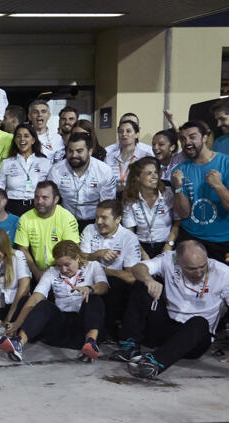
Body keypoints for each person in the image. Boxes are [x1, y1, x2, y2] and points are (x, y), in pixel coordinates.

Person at [115, 241, 229, 378]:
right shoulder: (169, 259)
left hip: (196, 338)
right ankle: (129, 346)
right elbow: (138, 268)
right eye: (191, 269)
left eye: (202, 266)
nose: (199, 273)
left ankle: (154, 363)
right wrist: (149, 280)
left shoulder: (223, 273)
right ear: (179, 261)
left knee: (199, 322)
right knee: (142, 285)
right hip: (167, 326)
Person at [0, 240, 106, 363]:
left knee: (94, 298)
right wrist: (17, 323)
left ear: (77, 258)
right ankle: (18, 343)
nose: (63, 269)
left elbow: (103, 286)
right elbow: (35, 298)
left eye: (67, 264)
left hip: (82, 325)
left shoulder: (93, 266)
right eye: (59, 265)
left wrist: (90, 289)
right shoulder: (52, 272)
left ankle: (91, 343)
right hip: (60, 327)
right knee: (43, 304)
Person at [81, 200, 141, 336]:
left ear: (118, 219)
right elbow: (80, 260)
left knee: (117, 284)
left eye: (104, 218)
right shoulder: (89, 230)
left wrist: (102, 271)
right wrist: (96, 255)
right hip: (88, 279)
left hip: (115, 286)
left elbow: (131, 277)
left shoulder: (129, 238)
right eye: (97, 217)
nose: (99, 221)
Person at [171, 120, 229, 260]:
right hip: (191, 237)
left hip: (222, 240)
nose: (187, 142)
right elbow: (184, 213)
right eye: (183, 139)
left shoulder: (226, 163)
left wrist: (219, 186)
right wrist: (178, 188)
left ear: (204, 137)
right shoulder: (179, 171)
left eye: (192, 137)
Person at [47, 132, 117, 230]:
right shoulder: (56, 170)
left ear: (90, 151)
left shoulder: (104, 171)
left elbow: (108, 206)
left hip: (96, 221)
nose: (74, 155)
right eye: (70, 151)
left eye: (79, 151)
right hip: (65, 221)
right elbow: (50, 202)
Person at [14, 180, 81, 280]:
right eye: (37, 197)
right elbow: (23, 250)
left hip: (63, 271)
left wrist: (52, 271)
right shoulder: (25, 218)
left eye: (45, 198)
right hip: (36, 272)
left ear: (56, 199)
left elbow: (72, 250)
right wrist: (36, 272)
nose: (39, 201)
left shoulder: (67, 218)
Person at [122, 157, 179, 257]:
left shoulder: (168, 194)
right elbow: (129, 233)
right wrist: (143, 254)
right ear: (137, 177)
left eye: (156, 173)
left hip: (166, 244)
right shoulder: (130, 200)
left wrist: (169, 245)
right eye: (149, 173)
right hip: (140, 246)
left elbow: (177, 223)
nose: (155, 176)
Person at [0, 124, 51, 217]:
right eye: (18, 136)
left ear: (33, 140)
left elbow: (50, 189)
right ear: (15, 140)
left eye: (26, 136)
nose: (22, 139)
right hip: (12, 207)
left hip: (37, 206)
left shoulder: (45, 162)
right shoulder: (7, 162)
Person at [104, 116, 153, 192]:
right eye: (121, 131)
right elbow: (105, 181)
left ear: (137, 134)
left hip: (138, 198)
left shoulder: (145, 156)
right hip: (114, 198)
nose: (124, 134)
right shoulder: (109, 157)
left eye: (128, 131)